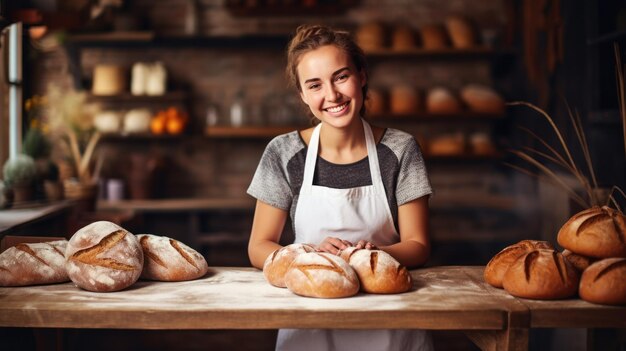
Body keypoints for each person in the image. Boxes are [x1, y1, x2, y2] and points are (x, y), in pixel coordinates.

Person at [247, 24, 433, 351]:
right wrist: (310, 256)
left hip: (388, 320)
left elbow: (418, 244)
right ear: (303, 95)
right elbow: (259, 246)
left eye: (341, 77)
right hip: (309, 320)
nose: (331, 95)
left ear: (362, 76)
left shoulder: (401, 149)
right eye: (315, 85)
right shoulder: (284, 152)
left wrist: (365, 256)